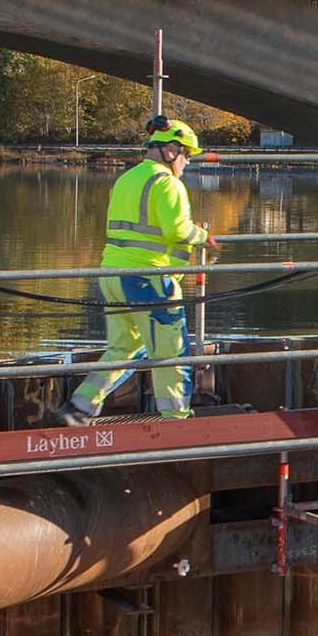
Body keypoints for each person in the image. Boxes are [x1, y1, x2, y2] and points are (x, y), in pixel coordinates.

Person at [51, 117, 210, 425]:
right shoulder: (166, 183)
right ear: (171, 150)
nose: (188, 161)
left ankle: (79, 407)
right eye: (187, 154)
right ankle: (177, 420)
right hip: (149, 279)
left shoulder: (127, 179)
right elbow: (178, 231)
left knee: (124, 347)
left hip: (114, 275)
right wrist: (204, 236)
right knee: (172, 354)